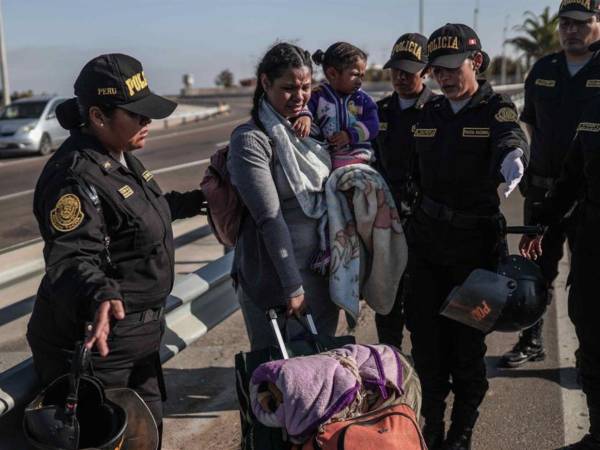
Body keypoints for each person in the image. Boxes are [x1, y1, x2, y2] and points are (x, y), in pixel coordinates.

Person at [26, 53, 206, 448]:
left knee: (149, 438)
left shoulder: (120, 159)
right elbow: (72, 256)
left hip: (139, 340)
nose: (148, 122)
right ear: (98, 116)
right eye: (137, 114)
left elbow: (138, 215)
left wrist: (197, 200)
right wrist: (101, 293)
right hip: (99, 348)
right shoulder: (73, 177)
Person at [405, 24, 529, 449]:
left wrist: (514, 155)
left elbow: (510, 135)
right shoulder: (430, 114)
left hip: (475, 254)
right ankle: (432, 432)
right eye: (436, 71)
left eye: (451, 69)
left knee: (466, 353)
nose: (443, 78)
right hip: (426, 249)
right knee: (426, 350)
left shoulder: (495, 108)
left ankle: (460, 437)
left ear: (475, 62)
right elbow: (405, 173)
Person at [500, 0, 600, 369]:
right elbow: (531, 126)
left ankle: (589, 353)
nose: (571, 30)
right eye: (565, 24)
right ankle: (532, 338)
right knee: (536, 268)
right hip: (544, 190)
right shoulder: (544, 69)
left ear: (597, 22)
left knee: (589, 275)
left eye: (580, 22)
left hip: (590, 195)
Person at [228, 43, 339, 350]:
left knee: (324, 377)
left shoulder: (311, 130)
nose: (299, 96)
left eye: (305, 87)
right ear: (265, 83)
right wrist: (292, 286)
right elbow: (269, 218)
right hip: (277, 283)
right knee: (278, 382)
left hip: (321, 273)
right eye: (288, 88)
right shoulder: (251, 140)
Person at [520, 41, 600, 450]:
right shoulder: (593, 110)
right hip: (591, 246)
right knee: (590, 340)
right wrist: (539, 224)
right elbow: (571, 179)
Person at [373, 32, 437, 351]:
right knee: (387, 305)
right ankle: (390, 368)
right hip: (386, 223)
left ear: (426, 72)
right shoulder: (379, 112)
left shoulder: (438, 110)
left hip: (426, 226)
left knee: (423, 308)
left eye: (408, 71)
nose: (400, 76)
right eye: (395, 69)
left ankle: (425, 373)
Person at [294, 42, 379, 170]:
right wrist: (305, 117)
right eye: (355, 74)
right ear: (332, 74)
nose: (360, 81)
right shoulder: (318, 95)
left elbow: (373, 125)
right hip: (325, 156)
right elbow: (305, 107)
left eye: (362, 76)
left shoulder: (364, 100)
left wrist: (350, 135)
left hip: (358, 157)